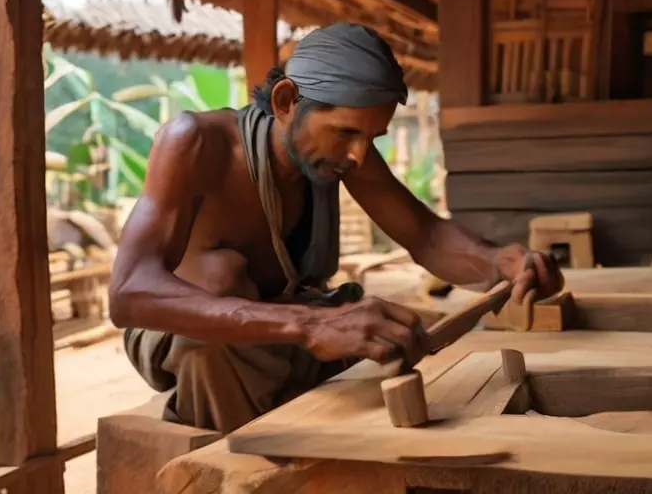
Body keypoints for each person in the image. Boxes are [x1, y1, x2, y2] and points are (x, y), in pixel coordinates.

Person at [112, 22, 564, 433]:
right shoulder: (195, 142)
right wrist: (311, 325)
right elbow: (130, 294)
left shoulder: (341, 155)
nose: (359, 156)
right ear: (286, 101)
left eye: (371, 138)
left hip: (289, 320)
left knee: (390, 337)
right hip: (195, 334)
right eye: (346, 132)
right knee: (219, 279)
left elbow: (425, 235)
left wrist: (499, 261)